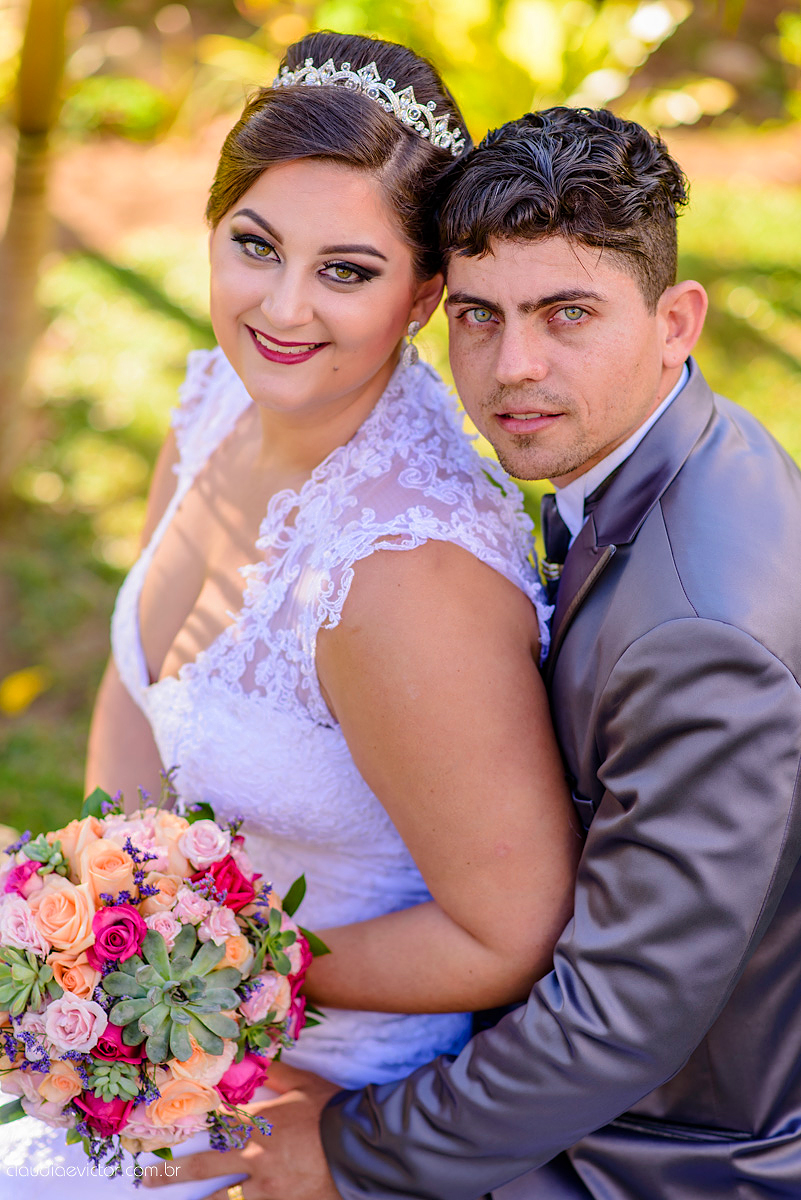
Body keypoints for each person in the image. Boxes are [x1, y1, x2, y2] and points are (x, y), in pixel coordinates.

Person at [164, 107, 801, 1199]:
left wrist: (347, 1151)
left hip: (650, 1157)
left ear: (676, 320)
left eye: (566, 314)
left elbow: (615, 1023)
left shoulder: (700, 632)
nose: (514, 369)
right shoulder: (669, 451)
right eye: (478, 315)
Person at [0, 34, 582, 1200]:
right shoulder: (218, 396)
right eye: (255, 246)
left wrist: (203, 972)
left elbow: (509, 931)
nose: (281, 307)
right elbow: (139, 689)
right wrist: (94, 914)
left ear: (423, 295)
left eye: (347, 271)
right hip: (144, 1018)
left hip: (308, 1091)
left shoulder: (403, 573)